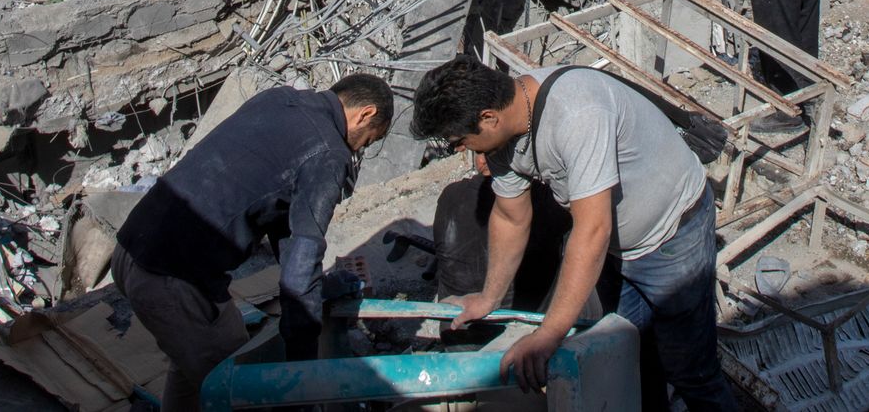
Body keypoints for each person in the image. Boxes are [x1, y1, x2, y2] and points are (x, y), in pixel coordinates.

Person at [411, 57, 737, 412]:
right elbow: (510, 217)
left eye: (459, 140)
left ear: (489, 118)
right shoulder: (504, 134)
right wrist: (489, 297)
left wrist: (548, 334)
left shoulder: (577, 114)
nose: (461, 150)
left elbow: (592, 230)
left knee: (690, 370)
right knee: (628, 356)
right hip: (616, 249)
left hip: (672, 238)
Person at [112, 75, 393, 412]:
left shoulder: (278, 99)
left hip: (132, 247)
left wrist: (320, 286)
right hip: (170, 278)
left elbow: (282, 224)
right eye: (368, 140)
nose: (359, 148)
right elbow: (301, 264)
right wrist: (301, 380)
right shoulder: (329, 154)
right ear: (365, 113)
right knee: (241, 389)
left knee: (214, 351)